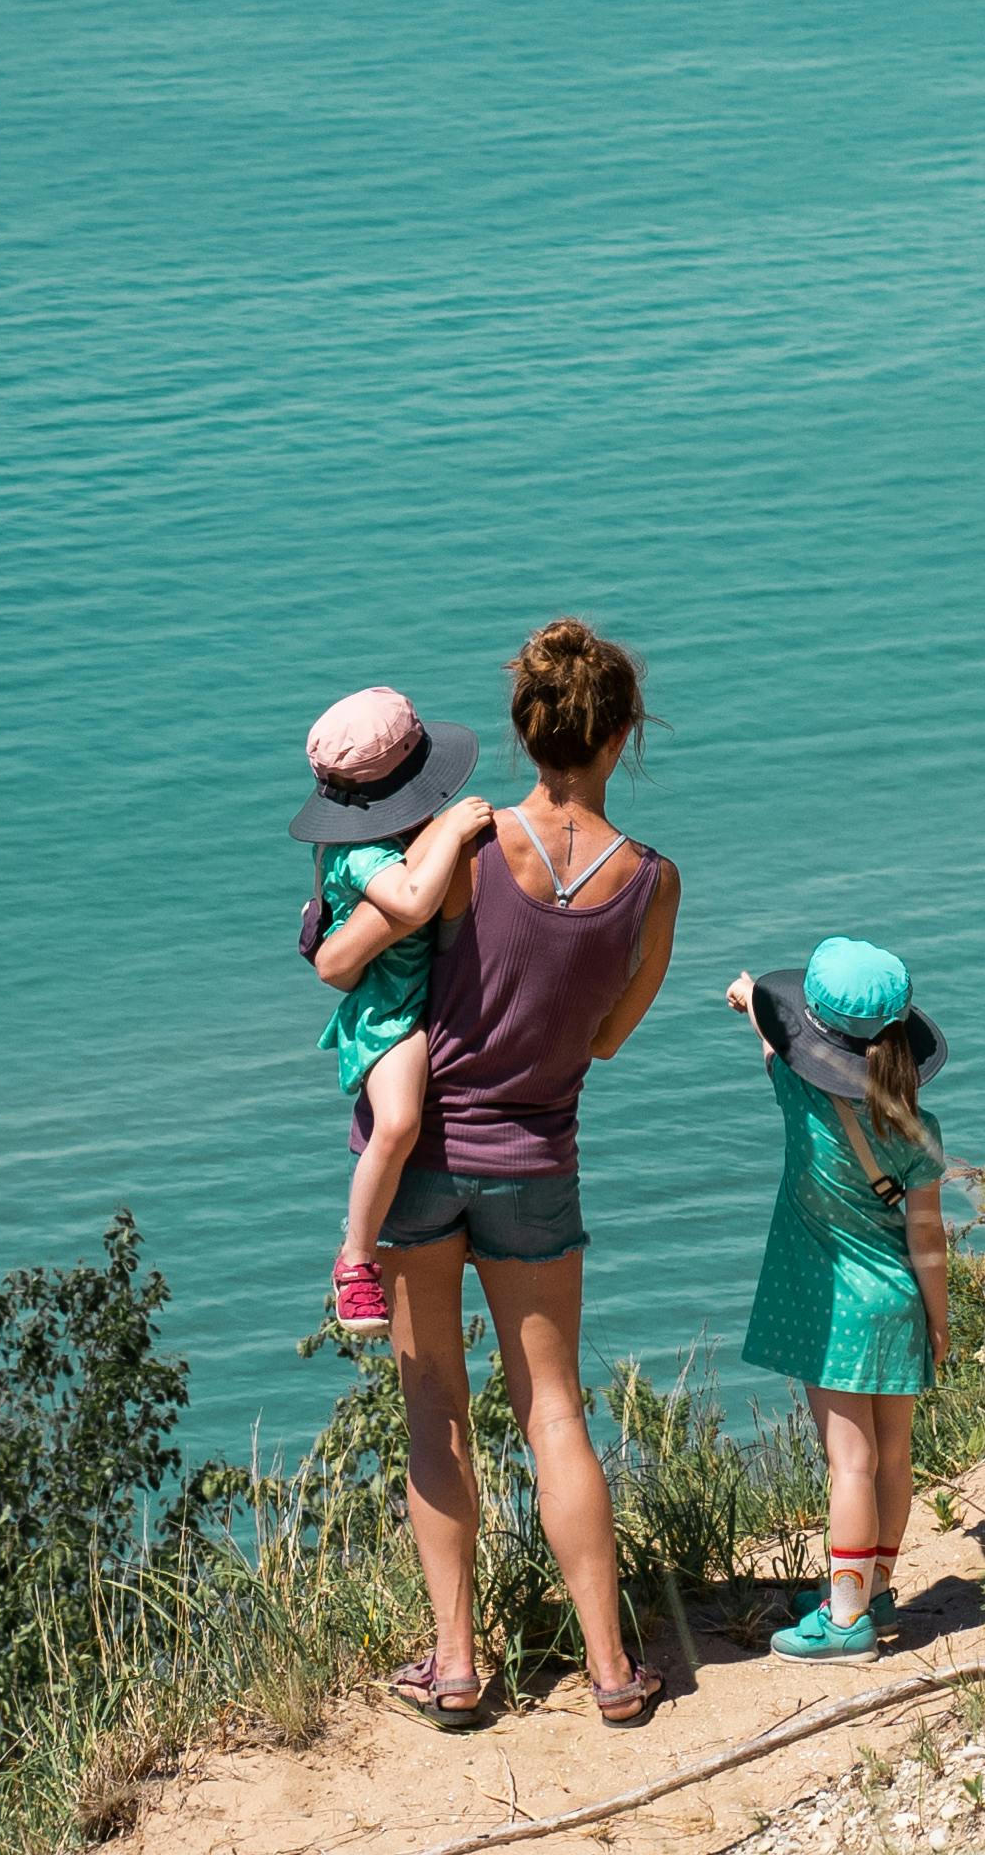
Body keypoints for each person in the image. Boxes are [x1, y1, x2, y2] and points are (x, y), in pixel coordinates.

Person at [314, 617, 680, 1731]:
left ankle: (457, 1666)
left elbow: (351, 956)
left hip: (422, 1160)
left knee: (437, 1412)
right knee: (554, 1413)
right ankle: (613, 1671)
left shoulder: (464, 850)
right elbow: (609, 1037)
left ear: (524, 735)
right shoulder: (652, 885)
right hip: (537, 1162)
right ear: (622, 737)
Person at [726, 938, 951, 1662]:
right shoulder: (919, 1128)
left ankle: (847, 1620)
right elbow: (927, 1238)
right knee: (891, 1457)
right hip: (898, 1303)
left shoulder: (802, 1096)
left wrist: (750, 997)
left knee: (848, 1463)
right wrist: (937, 1319)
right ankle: (871, 1585)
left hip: (838, 1312)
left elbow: (780, 1046)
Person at [291, 685, 495, 1337]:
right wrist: (454, 828)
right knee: (400, 1121)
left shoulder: (379, 833)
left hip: (415, 993)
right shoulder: (358, 852)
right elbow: (409, 903)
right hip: (390, 1008)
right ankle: (355, 1261)